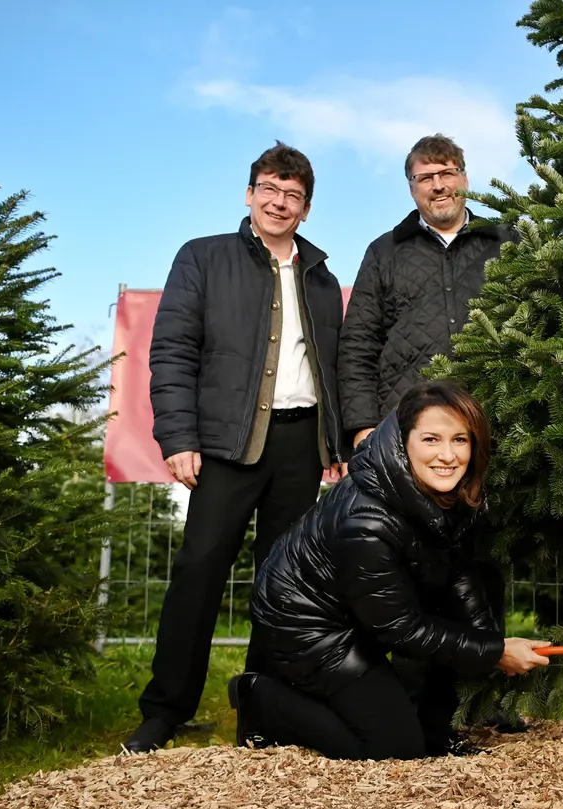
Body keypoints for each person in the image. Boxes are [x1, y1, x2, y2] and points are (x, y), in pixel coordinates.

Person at [122, 143, 348, 754]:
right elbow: (171, 351)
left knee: (284, 584)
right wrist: (178, 436)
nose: (280, 203)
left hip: (301, 446)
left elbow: (334, 367)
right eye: (270, 190)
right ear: (249, 194)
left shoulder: (323, 278)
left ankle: (261, 710)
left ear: (306, 207)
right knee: (198, 573)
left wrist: (334, 441)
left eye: (293, 195)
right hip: (224, 444)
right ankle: (165, 711)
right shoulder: (202, 258)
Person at [231, 381, 551, 759]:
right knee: (393, 747)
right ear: (404, 441)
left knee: (482, 585)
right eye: (431, 439)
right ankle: (260, 697)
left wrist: (487, 645)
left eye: (460, 440)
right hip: (307, 627)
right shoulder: (367, 519)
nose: (447, 456)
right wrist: (494, 651)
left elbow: (460, 575)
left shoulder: (452, 492)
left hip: (368, 611)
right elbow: (400, 627)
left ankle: (438, 730)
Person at [338, 134, 517, 449]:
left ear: (464, 178)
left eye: (447, 174)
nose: (438, 186)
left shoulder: (505, 243)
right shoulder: (384, 252)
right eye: (425, 178)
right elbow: (358, 344)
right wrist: (362, 426)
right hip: (407, 427)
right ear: (411, 188)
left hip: (499, 420)